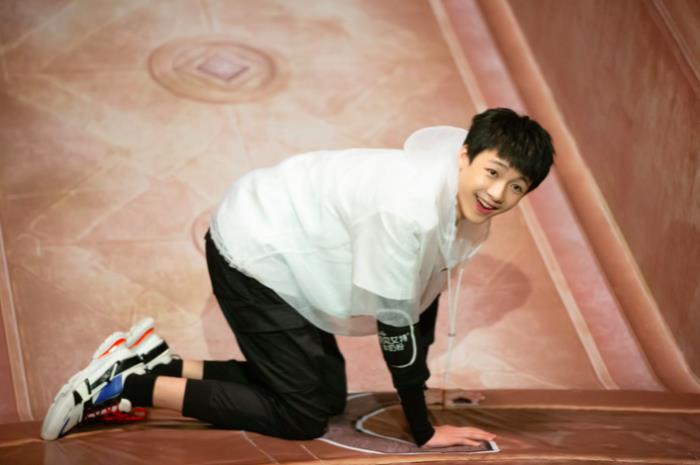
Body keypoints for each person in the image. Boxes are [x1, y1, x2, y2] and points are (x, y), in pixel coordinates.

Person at [41, 108, 555, 447]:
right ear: (465, 155)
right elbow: (396, 327)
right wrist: (423, 429)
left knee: (327, 396)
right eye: (493, 173)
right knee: (301, 416)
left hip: (288, 244)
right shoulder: (409, 209)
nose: (498, 195)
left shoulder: (461, 200)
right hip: (254, 249)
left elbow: (423, 297)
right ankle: (126, 385)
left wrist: (421, 388)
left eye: (517, 187)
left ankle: (154, 361)